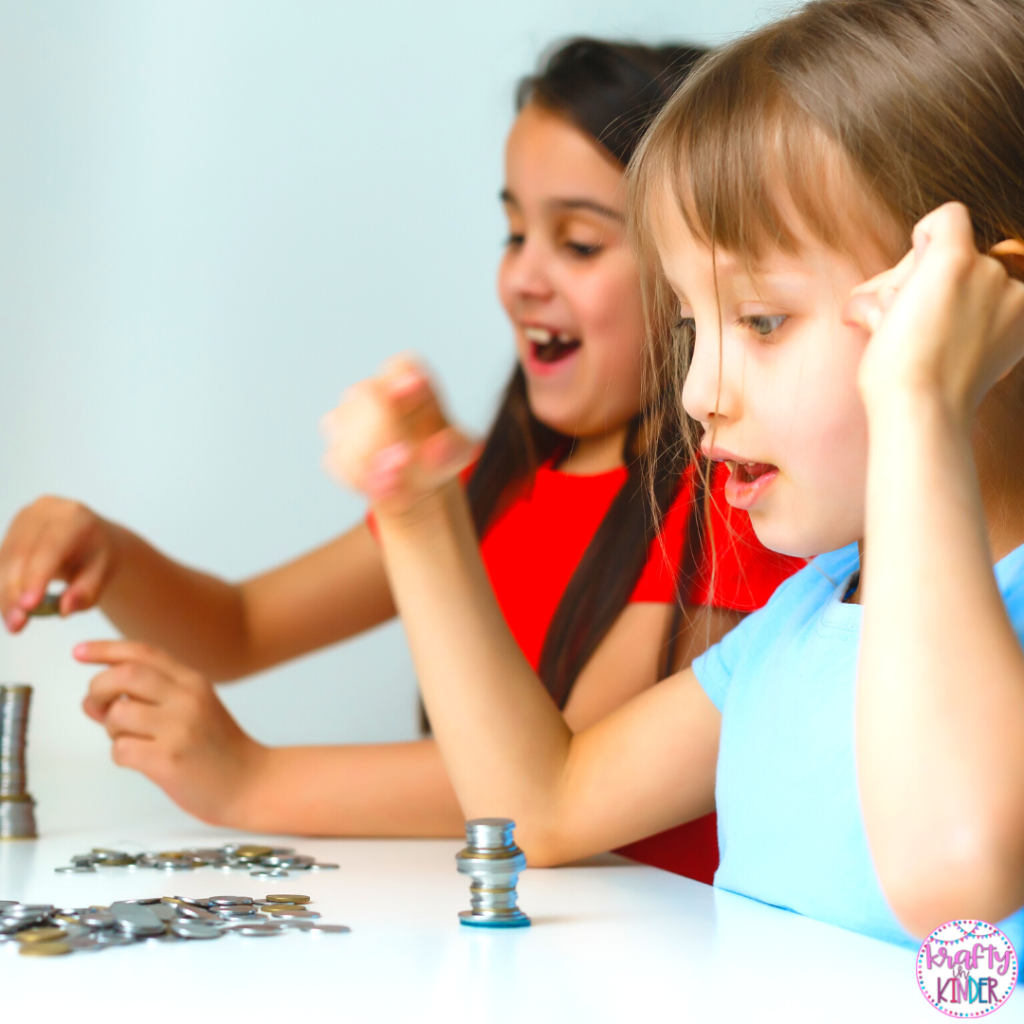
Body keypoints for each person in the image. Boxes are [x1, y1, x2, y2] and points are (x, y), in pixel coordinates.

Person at [317, 0, 1024, 949]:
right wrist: (418, 516)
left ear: (981, 306)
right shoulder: (806, 618)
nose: (696, 392)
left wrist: (917, 404)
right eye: (693, 326)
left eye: (765, 321)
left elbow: (957, 894)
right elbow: (545, 805)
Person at [0, 40, 800, 877]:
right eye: (514, 232)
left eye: (579, 244)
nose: (521, 278)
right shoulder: (482, 481)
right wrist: (111, 555)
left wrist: (252, 780)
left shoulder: (735, 502)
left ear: (687, 271)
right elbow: (238, 629)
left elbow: (562, 773)